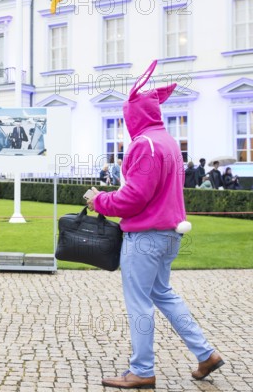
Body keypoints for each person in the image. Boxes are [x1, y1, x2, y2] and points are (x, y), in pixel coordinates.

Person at [87, 61, 223, 389]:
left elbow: (134, 198)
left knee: (139, 303)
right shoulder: (168, 141)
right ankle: (206, 354)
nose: (125, 121)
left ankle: (142, 370)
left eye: (126, 115)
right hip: (169, 235)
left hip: (146, 237)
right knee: (163, 294)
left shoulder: (144, 144)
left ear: (134, 115)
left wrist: (98, 201)